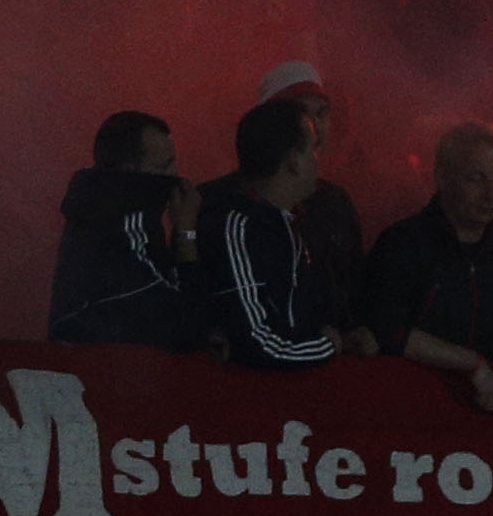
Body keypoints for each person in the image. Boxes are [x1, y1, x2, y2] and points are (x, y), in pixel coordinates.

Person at [358, 121, 493, 415]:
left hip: (489, 416)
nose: (491, 194)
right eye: (476, 179)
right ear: (442, 176)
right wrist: (471, 364)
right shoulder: (404, 242)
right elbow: (386, 329)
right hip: (409, 413)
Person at [200, 94, 347, 371]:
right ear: (293, 160)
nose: (319, 161)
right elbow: (256, 342)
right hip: (252, 404)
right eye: (313, 149)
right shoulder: (237, 228)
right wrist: (328, 346)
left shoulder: (284, 224)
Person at [46, 111, 195, 349]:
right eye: (165, 165)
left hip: (96, 361)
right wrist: (186, 232)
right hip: (105, 366)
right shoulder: (125, 222)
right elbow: (181, 321)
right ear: (129, 170)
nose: (175, 174)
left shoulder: (101, 206)